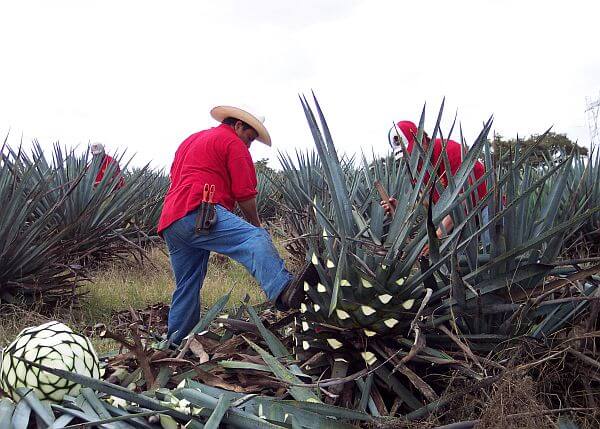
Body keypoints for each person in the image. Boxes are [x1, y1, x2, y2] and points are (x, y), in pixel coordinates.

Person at [158, 105, 304, 344]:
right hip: (199, 210)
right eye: (249, 137)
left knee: (187, 284)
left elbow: (175, 175)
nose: (249, 144)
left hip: (172, 220)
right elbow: (245, 193)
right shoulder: (232, 142)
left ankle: (174, 343)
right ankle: (284, 291)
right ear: (238, 125)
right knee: (255, 238)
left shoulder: (191, 140)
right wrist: (256, 225)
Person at [384, 121, 489, 252]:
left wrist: (437, 236)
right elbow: (426, 204)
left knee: (491, 248)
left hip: (483, 206)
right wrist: (400, 210)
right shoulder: (417, 168)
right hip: (456, 220)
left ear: (423, 139)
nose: (411, 158)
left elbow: (462, 200)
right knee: (457, 262)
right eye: (407, 155)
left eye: (412, 152)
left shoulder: (451, 151)